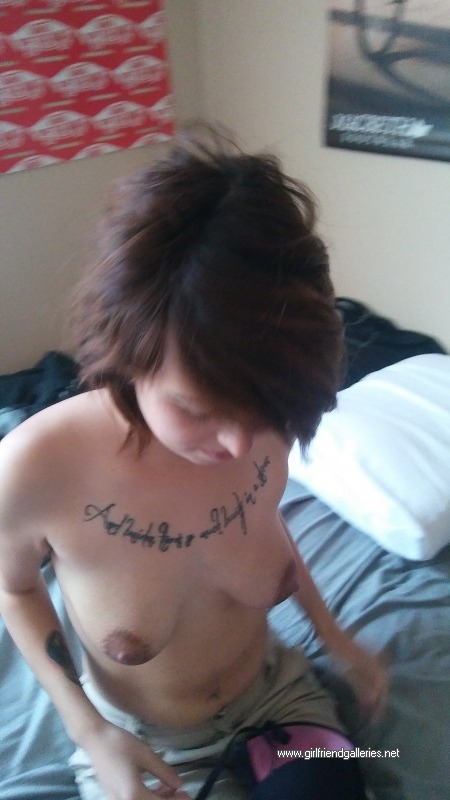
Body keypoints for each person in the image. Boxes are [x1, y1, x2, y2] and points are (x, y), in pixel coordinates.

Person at [0, 127, 387, 800]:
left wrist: (336, 641)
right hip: (145, 744)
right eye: (198, 409)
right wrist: (92, 732)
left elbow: (260, 521)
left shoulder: (269, 414)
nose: (237, 447)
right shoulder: (35, 469)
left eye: (258, 414)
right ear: (129, 350)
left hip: (279, 702)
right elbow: (16, 590)